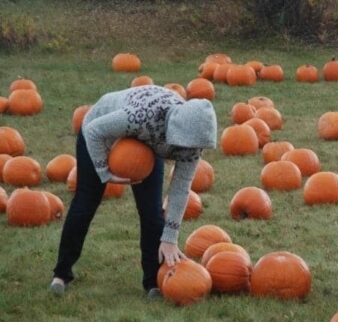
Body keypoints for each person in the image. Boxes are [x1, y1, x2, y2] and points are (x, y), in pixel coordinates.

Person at [50, 85, 217, 298]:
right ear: (175, 130)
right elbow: (94, 131)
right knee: (86, 201)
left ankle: (152, 282)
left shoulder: (192, 145)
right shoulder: (143, 115)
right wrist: (105, 173)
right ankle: (61, 273)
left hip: (146, 144)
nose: (189, 152)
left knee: (151, 213)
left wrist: (170, 238)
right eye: (185, 145)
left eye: (194, 147)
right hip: (101, 133)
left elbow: (180, 189)